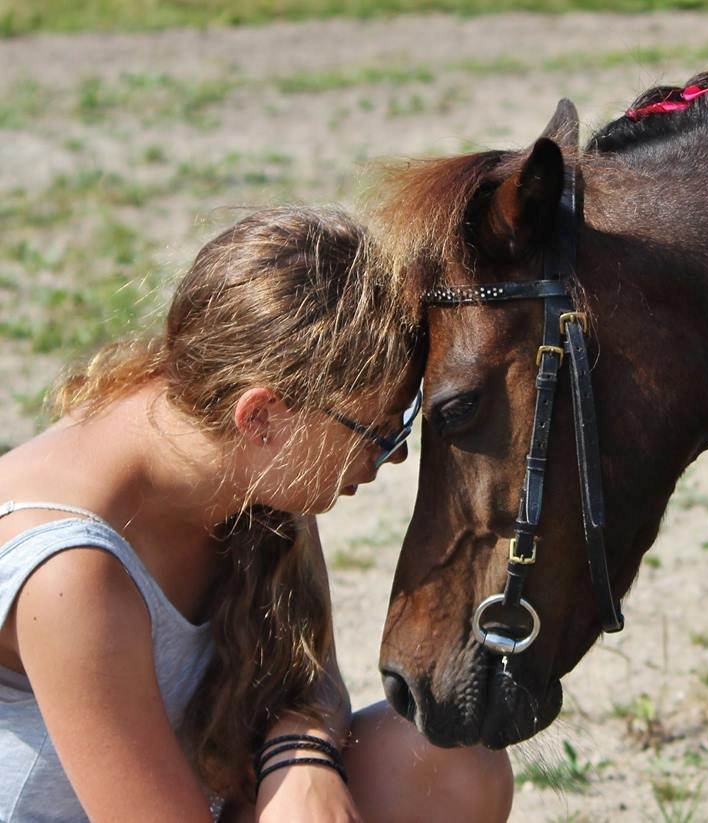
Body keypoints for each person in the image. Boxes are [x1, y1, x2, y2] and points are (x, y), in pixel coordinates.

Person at [0, 206, 513, 822]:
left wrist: (299, 754)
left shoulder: (249, 461)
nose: (395, 454)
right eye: (374, 429)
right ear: (262, 415)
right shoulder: (69, 572)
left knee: (447, 766)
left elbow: (307, 666)